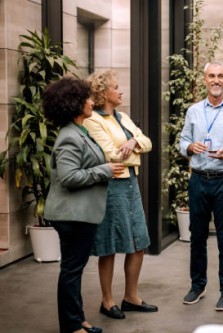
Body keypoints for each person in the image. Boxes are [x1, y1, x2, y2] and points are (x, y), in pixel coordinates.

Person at [42, 77, 125, 333]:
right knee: (71, 271)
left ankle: (78, 321)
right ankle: (71, 326)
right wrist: (105, 170)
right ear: (75, 103)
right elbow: (69, 177)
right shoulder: (69, 136)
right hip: (72, 216)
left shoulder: (79, 131)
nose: (91, 101)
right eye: (87, 98)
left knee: (73, 270)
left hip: (80, 215)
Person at [83, 70, 157, 320]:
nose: (121, 90)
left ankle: (131, 297)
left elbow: (148, 142)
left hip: (130, 184)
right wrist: (132, 148)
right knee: (110, 245)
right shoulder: (92, 119)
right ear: (104, 93)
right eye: (116, 87)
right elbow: (110, 155)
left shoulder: (122, 117)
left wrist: (134, 143)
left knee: (138, 242)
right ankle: (107, 301)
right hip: (111, 187)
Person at [179, 61, 223, 311]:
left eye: (220, 76)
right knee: (196, 237)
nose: (216, 80)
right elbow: (183, 140)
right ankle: (198, 285)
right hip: (198, 179)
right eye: (211, 76)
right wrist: (189, 147)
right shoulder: (194, 111)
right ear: (204, 80)